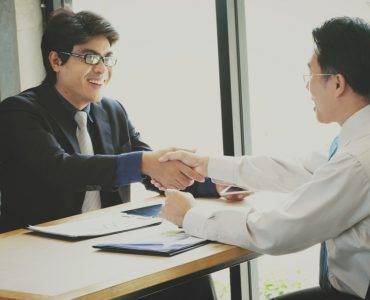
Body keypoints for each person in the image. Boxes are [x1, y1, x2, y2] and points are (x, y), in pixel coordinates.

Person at [0, 9, 221, 300]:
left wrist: (211, 183)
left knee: (191, 278)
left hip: (109, 249)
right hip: (42, 259)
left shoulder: (111, 110)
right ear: (56, 60)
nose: (102, 68)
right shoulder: (19, 112)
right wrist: (144, 163)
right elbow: (61, 169)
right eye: (90, 57)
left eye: (107, 58)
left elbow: (150, 168)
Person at [159, 17, 370, 300]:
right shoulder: (355, 142)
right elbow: (298, 171)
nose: (308, 88)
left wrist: (189, 216)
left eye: (312, 76)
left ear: (338, 84)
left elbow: (278, 232)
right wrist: (207, 164)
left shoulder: (357, 159)